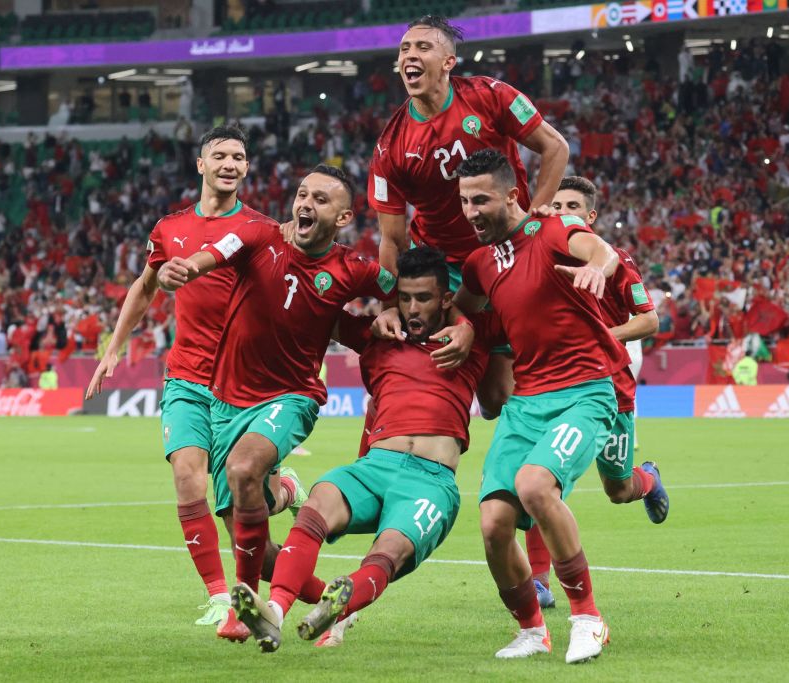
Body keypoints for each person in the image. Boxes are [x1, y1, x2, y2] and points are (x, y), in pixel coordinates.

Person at [158, 165, 443, 622]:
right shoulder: (257, 235)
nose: (307, 204)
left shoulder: (350, 268)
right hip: (227, 401)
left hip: (292, 396)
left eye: (321, 199)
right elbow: (215, 251)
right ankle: (328, 600)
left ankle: (241, 608)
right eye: (303, 194)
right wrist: (188, 268)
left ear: (344, 217)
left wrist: (397, 311)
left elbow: (403, 290)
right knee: (244, 532)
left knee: (243, 466)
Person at [85, 125, 306, 639]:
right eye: (221, 155)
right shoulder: (169, 227)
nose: (230, 163)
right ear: (201, 164)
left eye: (239, 157)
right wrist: (113, 347)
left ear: (247, 169)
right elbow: (143, 288)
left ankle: (286, 491)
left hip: (241, 383)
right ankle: (217, 596)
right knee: (187, 474)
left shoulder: (261, 229)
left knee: (240, 502)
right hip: (186, 375)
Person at [229, 247, 500, 652]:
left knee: (387, 550)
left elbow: (526, 310)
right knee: (318, 500)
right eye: (404, 297)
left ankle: (341, 605)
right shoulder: (379, 336)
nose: (412, 308)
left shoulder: (470, 340)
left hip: (430, 481)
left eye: (423, 298)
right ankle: (275, 611)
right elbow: (312, 309)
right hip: (374, 467)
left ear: (445, 299)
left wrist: (467, 325)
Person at [452, 150, 628, 664]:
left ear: (512, 195)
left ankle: (588, 619)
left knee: (534, 486)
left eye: (480, 199)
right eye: (464, 201)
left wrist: (597, 268)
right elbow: (466, 307)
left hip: (584, 392)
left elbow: (600, 251)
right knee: (492, 524)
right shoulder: (479, 263)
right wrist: (464, 330)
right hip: (525, 403)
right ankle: (532, 630)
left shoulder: (553, 230)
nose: (470, 211)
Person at [369, 14, 569, 418]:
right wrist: (390, 303)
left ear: (448, 62)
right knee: (428, 377)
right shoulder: (390, 146)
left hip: (507, 252)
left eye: (423, 47)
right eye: (405, 49)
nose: (410, 55)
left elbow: (555, 147)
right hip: (446, 266)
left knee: (501, 396)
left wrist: (532, 222)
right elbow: (392, 239)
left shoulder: (490, 97)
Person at [519, 177, 669, 607]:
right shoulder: (536, 256)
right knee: (541, 481)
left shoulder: (616, 263)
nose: (563, 210)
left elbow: (649, 321)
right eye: (557, 203)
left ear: (590, 217)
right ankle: (539, 581)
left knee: (618, 489)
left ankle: (649, 479)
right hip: (554, 387)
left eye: (573, 206)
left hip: (610, 389)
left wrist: (603, 334)